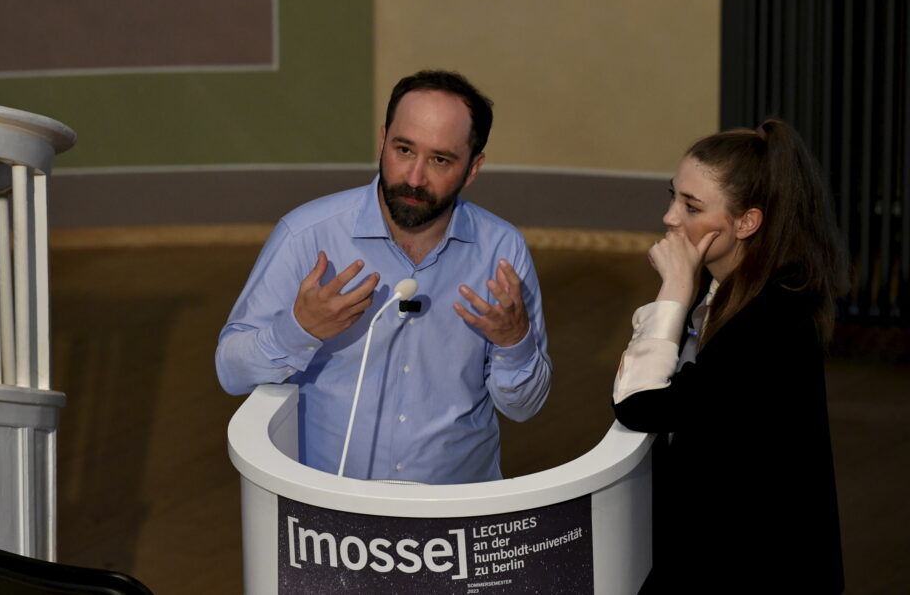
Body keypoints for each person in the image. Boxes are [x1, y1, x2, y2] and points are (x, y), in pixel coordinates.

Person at [216, 70, 551, 484]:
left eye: (440, 160)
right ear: (382, 140)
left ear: (473, 168)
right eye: (404, 150)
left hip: (457, 513)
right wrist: (298, 330)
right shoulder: (306, 236)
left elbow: (524, 407)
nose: (414, 177)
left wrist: (515, 343)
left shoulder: (502, 250)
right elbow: (230, 371)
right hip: (330, 509)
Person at [612, 119, 846, 592]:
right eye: (673, 195)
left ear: (747, 222)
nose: (671, 218)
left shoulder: (769, 320)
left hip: (749, 564)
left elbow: (640, 406)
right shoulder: (737, 284)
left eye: (691, 205)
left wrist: (673, 293)